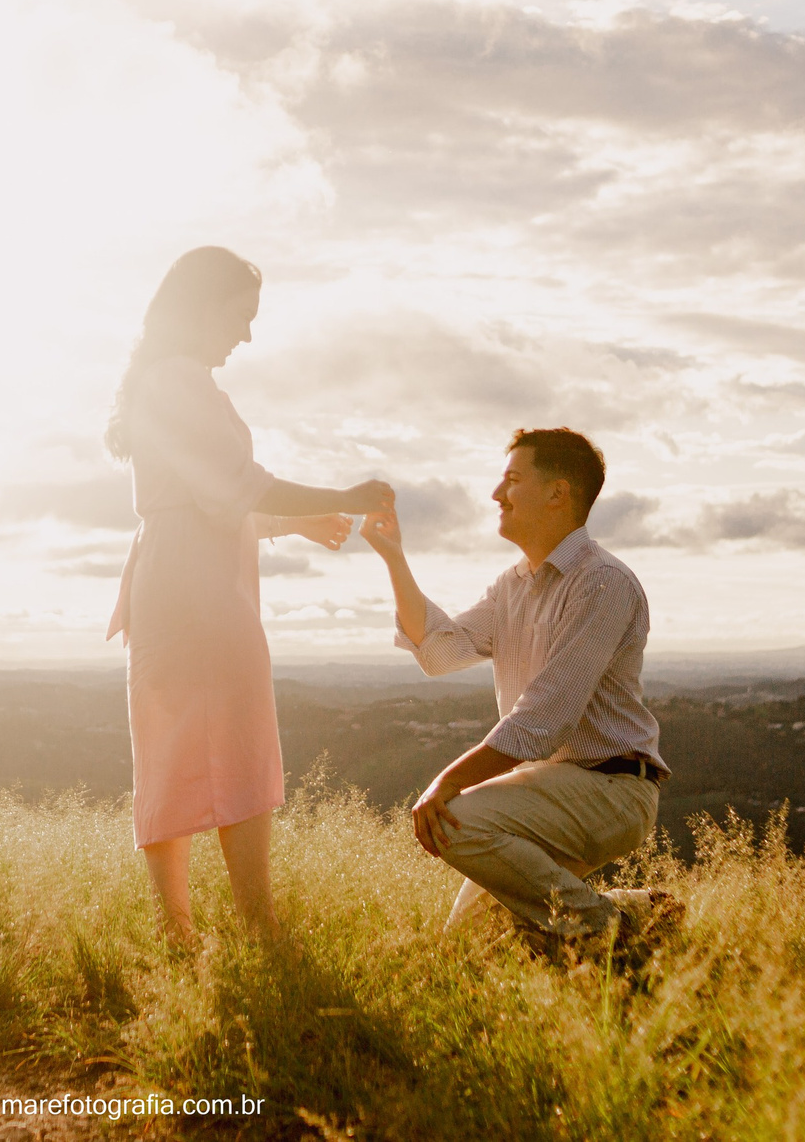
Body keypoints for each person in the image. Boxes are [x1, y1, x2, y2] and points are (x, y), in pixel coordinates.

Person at [105, 246, 394, 945]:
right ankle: (256, 923)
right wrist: (343, 494)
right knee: (236, 742)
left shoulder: (168, 382)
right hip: (199, 593)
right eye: (241, 316)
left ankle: (178, 931)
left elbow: (212, 499)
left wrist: (296, 523)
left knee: (171, 747)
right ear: (200, 308)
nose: (247, 334)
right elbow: (234, 487)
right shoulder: (179, 382)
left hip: (180, 579)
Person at [361, 427, 680, 955]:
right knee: (469, 945)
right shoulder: (511, 586)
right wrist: (394, 558)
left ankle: (617, 935)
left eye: (512, 480)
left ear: (558, 493)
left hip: (611, 789)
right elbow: (440, 652)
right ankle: (642, 911)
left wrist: (447, 782)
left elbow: (543, 720)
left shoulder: (602, 582)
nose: (496, 494)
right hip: (546, 791)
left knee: (457, 820)